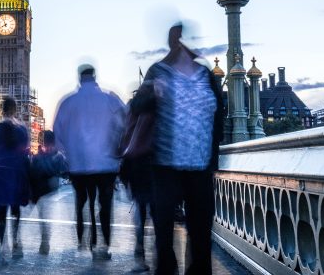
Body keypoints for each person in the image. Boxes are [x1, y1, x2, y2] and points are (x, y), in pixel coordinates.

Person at [131, 23, 224, 275]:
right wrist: (152, 92)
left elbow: (219, 119)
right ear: (176, 42)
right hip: (165, 168)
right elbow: (136, 106)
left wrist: (213, 159)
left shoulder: (207, 75)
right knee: (164, 238)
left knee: (201, 237)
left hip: (200, 169)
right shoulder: (158, 71)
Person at [53, 64, 126, 260]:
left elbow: (57, 133)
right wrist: (118, 146)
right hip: (106, 164)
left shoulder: (68, 102)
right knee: (105, 203)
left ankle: (85, 237)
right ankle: (103, 243)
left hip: (79, 165)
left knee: (83, 201)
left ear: (79, 78)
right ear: (95, 77)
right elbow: (126, 121)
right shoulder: (110, 99)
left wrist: (68, 152)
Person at [0, 97, 30, 264]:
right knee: (15, 208)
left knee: (1, 209)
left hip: (1, 175)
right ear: (15, 110)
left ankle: (3, 245)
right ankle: (16, 241)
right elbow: (25, 152)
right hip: (16, 174)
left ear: (2, 110)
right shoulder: (21, 129)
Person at [120, 97, 152, 273]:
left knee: (140, 210)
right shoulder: (156, 110)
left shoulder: (132, 112)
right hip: (154, 165)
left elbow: (124, 139)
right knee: (158, 213)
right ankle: (163, 254)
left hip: (136, 166)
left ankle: (140, 252)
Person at [30, 130, 68, 255]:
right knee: (43, 215)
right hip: (45, 190)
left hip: (43, 190)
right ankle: (44, 240)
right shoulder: (57, 156)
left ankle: (44, 240)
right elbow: (64, 171)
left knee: (43, 215)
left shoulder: (42, 156)